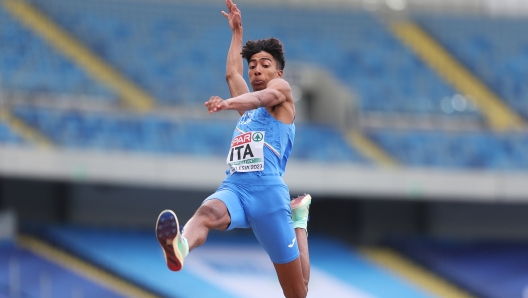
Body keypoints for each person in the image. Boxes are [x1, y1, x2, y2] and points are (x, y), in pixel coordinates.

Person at [155, 1, 311, 297]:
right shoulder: (249, 111)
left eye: (265, 65)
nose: (256, 71)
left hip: (268, 196)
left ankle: (299, 221)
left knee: (297, 293)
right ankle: (180, 246)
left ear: (279, 72)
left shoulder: (282, 93)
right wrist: (237, 31)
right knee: (206, 212)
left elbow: (255, 100)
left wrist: (227, 103)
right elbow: (231, 75)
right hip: (235, 189)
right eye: (252, 66)